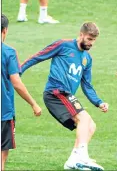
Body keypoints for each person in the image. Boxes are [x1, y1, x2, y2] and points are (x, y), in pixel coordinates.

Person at [21, 22, 108, 170]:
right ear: (81, 34)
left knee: (90, 126)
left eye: (93, 40)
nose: (91, 43)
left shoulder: (87, 59)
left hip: (65, 95)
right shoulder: (63, 45)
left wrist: (98, 102)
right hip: (55, 92)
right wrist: (19, 70)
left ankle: (72, 161)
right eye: (89, 39)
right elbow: (39, 56)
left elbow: (86, 84)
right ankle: (83, 157)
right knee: (84, 118)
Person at [1, 14, 42, 170]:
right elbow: (16, 83)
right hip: (3, 112)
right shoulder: (8, 52)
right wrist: (34, 103)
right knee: (2, 154)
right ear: (5, 31)